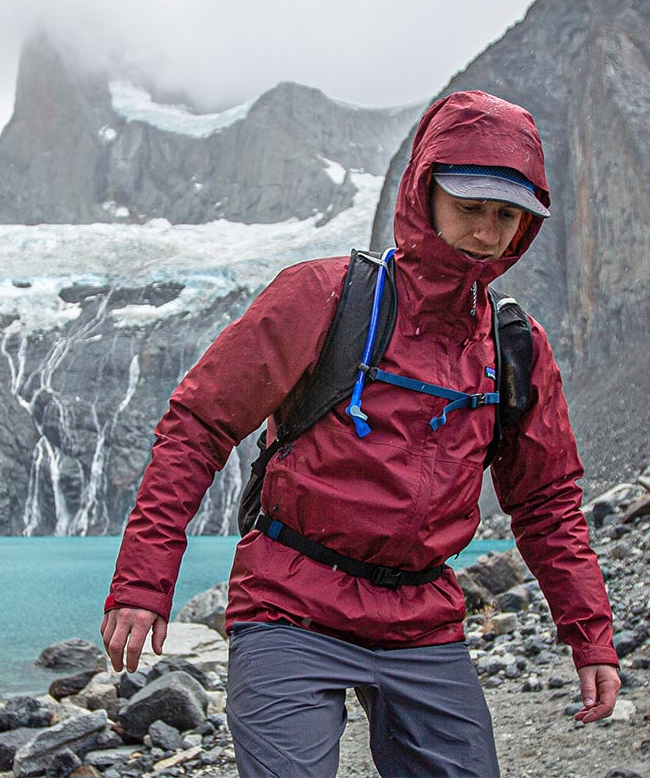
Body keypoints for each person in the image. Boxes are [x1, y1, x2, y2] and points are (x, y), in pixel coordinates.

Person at [101, 90, 620, 777]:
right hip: (290, 604)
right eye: (469, 208)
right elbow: (199, 423)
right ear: (422, 191)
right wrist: (144, 582)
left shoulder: (513, 346)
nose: (488, 235)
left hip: (422, 621)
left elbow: (546, 502)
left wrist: (591, 639)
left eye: (508, 216)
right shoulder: (322, 298)